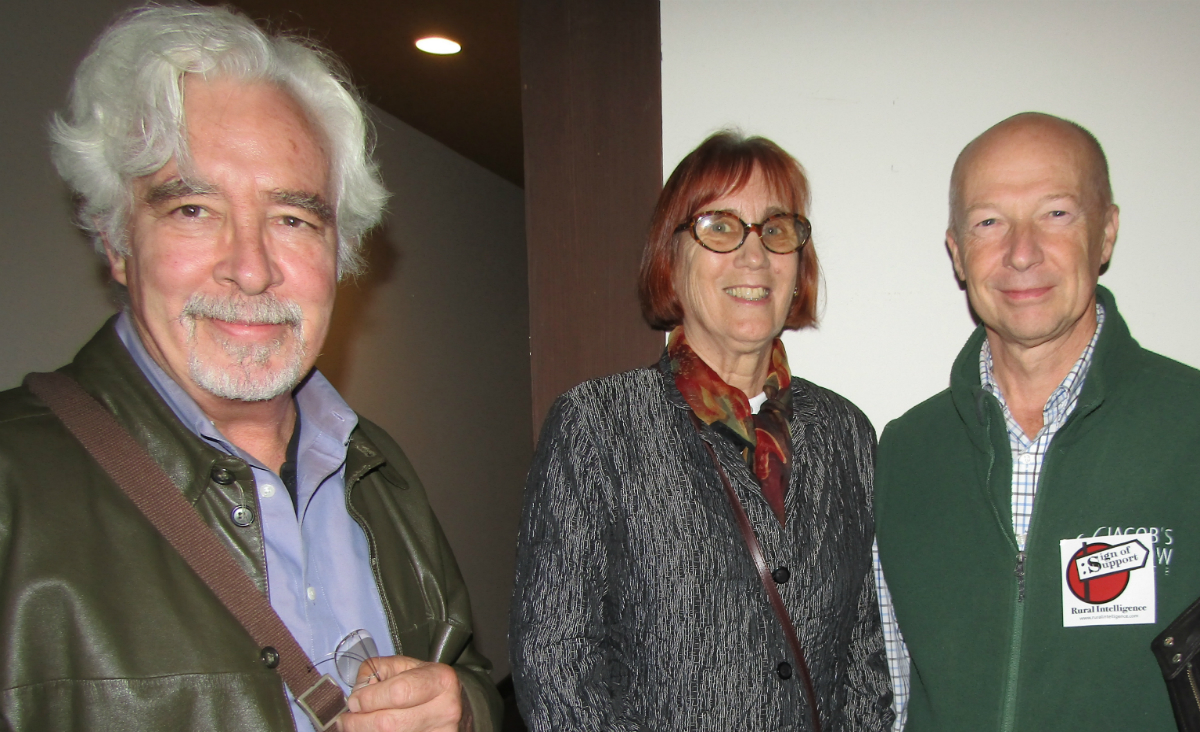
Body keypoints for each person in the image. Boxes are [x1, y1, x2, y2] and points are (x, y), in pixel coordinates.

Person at [0, 5, 501, 731]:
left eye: (293, 219)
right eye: (194, 209)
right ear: (116, 241)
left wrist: (466, 710)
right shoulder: (13, 488)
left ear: (340, 253)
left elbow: (467, 670)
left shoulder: (378, 470)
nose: (251, 268)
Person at [510, 131, 894, 731]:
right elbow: (557, 667)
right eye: (720, 227)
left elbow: (865, 656)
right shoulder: (597, 427)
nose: (754, 255)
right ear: (672, 255)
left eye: (776, 229)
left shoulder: (847, 435)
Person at [875, 112, 1200, 730]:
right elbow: (891, 695)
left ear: (1105, 234)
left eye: (1056, 213)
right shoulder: (906, 453)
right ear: (958, 253)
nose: (1020, 253)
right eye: (989, 222)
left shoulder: (1191, 426)